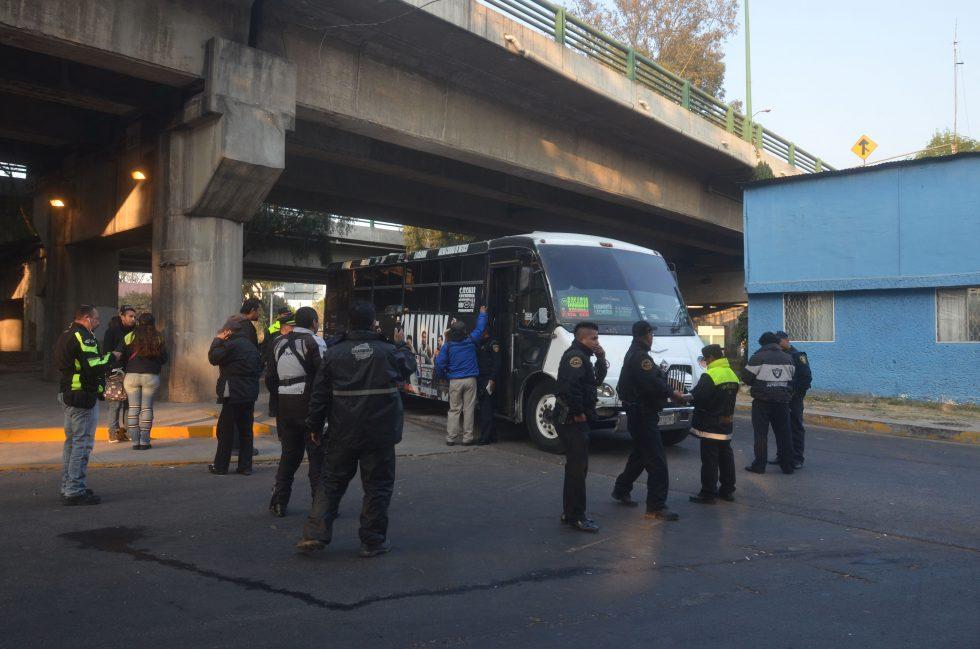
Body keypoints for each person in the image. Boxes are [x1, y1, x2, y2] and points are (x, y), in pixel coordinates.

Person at [296, 301, 417, 557]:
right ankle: (371, 542)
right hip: (380, 433)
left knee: (331, 482)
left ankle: (315, 534)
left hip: (343, 431)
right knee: (378, 486)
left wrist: (314, 426)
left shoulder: (334, 352)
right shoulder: (388, 351)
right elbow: (409, 366)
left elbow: (320, 395)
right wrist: (400, 342)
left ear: (349, 323)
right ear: (373, 323)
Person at [611, 321, 684, 521]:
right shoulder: (641, 357)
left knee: (641, 455)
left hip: (639, 412)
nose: (652, 338)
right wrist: (673, 393)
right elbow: (652, 382)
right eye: (651, 334)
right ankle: (656, 506)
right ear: (644, 335)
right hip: (643, 414)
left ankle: (621, 488)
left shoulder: (635, 353)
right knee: (657, 461)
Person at [55, 305, 119, 505]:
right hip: (82, 395)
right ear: (86, 318)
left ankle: (68, 486)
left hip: (67, 393)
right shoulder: (85, 336)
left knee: (71, 444)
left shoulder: (65, 335)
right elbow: (93, 366)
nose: (98, 322)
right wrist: (112, 358)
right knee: (82, 445)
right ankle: (75, 490)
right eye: (96, 318)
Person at [267, 307, 326, 517]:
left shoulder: (278, 342)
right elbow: (323, 376)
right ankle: (320, 506)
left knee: (289, 455)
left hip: (285, 405)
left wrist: (277, 403)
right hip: (308, 405)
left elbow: (270, 378)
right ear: (313, 322)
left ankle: (279, 502)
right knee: (317, 456)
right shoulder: (315, 342)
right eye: (317, 321)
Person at [554, 321, 608, 533]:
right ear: (582, 338)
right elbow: (571, 389)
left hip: (577, 419)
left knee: (576, 469)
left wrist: (602, 358)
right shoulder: (575, 358)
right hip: (572, 421)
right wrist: (578, 414)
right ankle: (577, 516)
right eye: (594, 338)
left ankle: (570, 512)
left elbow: (596, 381)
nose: (597, 341)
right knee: (578, 470)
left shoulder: (585, 357)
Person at [208, 316, 262, 475]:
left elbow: (213, 358)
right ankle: (245, 467)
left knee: (226, 430)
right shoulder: (251, 346)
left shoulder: (230, 345)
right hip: (250, 393)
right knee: (246, 430)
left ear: (229, 331)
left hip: (232, 392)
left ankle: (220, 466)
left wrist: (217, 340)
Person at [687, 344, 740, 504]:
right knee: (726, 457)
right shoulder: (731, 373)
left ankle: (708, 493)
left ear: (710, 358)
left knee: (710, 460)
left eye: (705, 360)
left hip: (710, 424)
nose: (705, 363)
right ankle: (727, 490)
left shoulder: (710, 375)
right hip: (726, 422)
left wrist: (684, 397)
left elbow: (697, 396)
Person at [741, 332, 796, 475]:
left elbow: (746, 378)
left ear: (763, 343)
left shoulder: (758, 357)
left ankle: (759, 466)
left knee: (761, 435)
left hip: (762, 401)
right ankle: (787, 466)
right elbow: (792, 378)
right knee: (784, 434)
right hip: (783, 402)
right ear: (777, 343)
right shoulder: (788, 358)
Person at [435, 307, 489, 446]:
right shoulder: (471, 339)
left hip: (455, 381)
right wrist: (482, 313)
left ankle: (451, 438)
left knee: (454, 409)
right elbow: (480, 327)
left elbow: (439, 363)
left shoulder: (448, 345)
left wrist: (444, 376)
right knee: (469, 409)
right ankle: (467, 438)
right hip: (471, 380)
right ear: (465, 331)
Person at [119, 313, 168, 450]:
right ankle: (145, 442)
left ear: (139, 323)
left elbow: (121, 355)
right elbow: (164, 358)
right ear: (153, 323)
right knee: (147, 408)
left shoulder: (129, 336)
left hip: (131, 375)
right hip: (151, 376)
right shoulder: (158, 337)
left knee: (133, 409)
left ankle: (135, 442)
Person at [774, 331, 811, 470]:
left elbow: (806, 378)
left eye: (778, 341)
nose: (777, 344)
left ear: (785, 340)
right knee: (781, 428)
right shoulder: (780, 355)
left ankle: (797, 458)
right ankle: (782, 456)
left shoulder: (798, 355)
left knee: (795, 427)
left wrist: (796, 394)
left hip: (794, 398)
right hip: (781, 397)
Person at [103, 305, 136, 443]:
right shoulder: (112, 332)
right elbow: (107, 351)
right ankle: (113, 432)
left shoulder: (136, 332)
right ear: (122, 316)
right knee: (115, 404)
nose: (133, 319)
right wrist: (112, 367)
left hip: (131, 371)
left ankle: (128, 432)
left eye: (134, 317)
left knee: (130, 404)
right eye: (130, 316)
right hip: (115, 373)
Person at [264, 307, 293, 417]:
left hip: (285, 358)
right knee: (273, 383)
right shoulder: (272, 329)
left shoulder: (291, 328)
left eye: (288, 314)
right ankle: (273, 410)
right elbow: (266, 345)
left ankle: (282, 409)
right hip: (273, 359)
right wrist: (266, 360)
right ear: (279, 315)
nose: (287, 316)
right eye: (285, 314)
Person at [476, 327, 502, 445]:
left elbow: (497, 364)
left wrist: (492, 379)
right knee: (487, 409)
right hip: (482, 379)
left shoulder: (493, 344)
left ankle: (485, 438)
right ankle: (492, 435)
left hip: (488, 380)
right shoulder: (482, 343)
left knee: (486, 410)